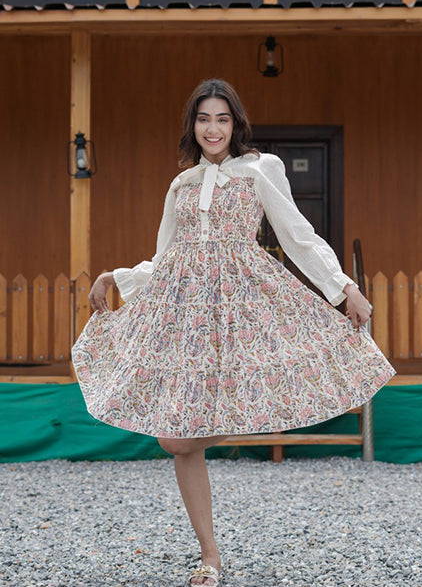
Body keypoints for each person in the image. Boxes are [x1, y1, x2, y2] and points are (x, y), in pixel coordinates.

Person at [72, 78, 396, 587]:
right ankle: (210, 556)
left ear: (235, 123)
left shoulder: (261, 169)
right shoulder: (179, 184)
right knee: (176, 441)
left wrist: (343, 288)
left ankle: (256, 410)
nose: (213, 128)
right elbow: (166, 257)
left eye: (222, 118)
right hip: (186, 319)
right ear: (192, 126)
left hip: (242, 307)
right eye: (204, 119)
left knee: (181, 437)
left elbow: (298, 235)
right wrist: (120, 277)